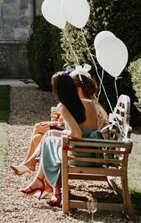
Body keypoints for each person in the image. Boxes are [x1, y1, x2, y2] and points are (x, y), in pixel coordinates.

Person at [21, 71, 105, 208]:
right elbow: (85, 131)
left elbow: (76, 134)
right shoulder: (89, 103)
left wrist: (64, 132)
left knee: (49, 143)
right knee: (50, 136)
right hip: (93, 153)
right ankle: (40, 178)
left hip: (80, 158)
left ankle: (45, 184)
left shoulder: (63, 106)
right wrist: (61, 131)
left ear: (57, 90)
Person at [10, 65, 108, 176]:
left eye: (73, 88)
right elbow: (79, 125)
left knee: (42, 135)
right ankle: (29, 165)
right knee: (41, 135)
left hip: (81, 150)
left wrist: (62, 126)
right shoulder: (89, 103)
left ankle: (31, 167)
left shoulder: (82, 104)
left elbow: (78, 131)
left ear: (79, 89)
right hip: (90, 148)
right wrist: (59, 123)